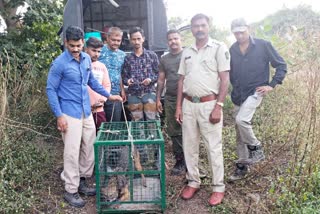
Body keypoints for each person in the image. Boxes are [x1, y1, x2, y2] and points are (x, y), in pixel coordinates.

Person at [46, 26, 122, 208]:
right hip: (68, 112)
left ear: (83, 44)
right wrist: (59, 116)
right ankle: (70, 189)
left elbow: (91, 81)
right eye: (72, 46)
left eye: (79, 46)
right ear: (66, 43)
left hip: (86, 110)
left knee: (89, 145)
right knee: (71, 151)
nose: (75, 49)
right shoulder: (59, 63)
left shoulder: (86, 58)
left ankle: (82, 179)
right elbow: (50, 89)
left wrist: (109, 95)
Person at [175, 13, 230, 206]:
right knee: (189, 145)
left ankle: (218, 187)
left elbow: (225, 79)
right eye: (196, 26)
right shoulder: (187, 51)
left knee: (213, 148)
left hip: (210, 104)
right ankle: (193, 181)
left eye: (202, 25)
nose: (199, 29)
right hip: (189, 104)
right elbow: (181, 80)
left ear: (209, 26)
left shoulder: (218, 48)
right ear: (191, 28)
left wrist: (219, 106)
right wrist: (179, 107)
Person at [228, 18, 287, 181]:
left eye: (242, 32)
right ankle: (242, 166)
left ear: (249, 29)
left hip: (255, 91)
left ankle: (256, 147)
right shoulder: (232, 49)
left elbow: (281, 65)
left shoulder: (263, 45)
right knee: (239, 133)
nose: (239, 36)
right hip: (237, 94)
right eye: (236, 33)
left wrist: (272, 85)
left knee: (242, 121)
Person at [156, 29, 186, 175]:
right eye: (170, 39)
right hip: (171, 98)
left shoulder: (188, 55)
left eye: (176, 38)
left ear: (181, 40)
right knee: (174, 130)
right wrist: (157, 99)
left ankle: (193, 161)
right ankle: (180, 161)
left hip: (189, 98)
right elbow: (161, 79)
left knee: (191, 129)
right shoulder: (165, 59)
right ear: (167, 42)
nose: (173, 41)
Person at [122, 26, 159, 121]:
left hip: (149, 93)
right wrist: (127, 81)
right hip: (133, 95)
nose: (136, 42)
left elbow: (159, 74)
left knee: (152, 120)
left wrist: (150, 79)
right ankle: (139, 136)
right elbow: (124, 77)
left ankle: (152, 136)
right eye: (133, 39)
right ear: (130, 41)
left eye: (138, 39)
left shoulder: (152, 55)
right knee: (137, 123)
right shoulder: (128, 58)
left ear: (143, 39)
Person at [99, 27, 127, 122]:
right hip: (99, 92)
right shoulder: (99, 51)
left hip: (115, 93)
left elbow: (120, 73)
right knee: (100, 123)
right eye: (113, 40)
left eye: (118, 40)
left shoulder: (122, 55)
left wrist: (122, 90)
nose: (116, 43)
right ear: (107, 38)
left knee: (115, 123)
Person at [86, 37, 111, 134]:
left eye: (99, 51)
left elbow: (107, 85)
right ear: (86, 49)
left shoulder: (102, 66)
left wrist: (103, 99)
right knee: (87, 138)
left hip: (99, 109)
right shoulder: (80, 64)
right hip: (84, 110)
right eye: (93, 50)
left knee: (101, 135)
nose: (96, 54)